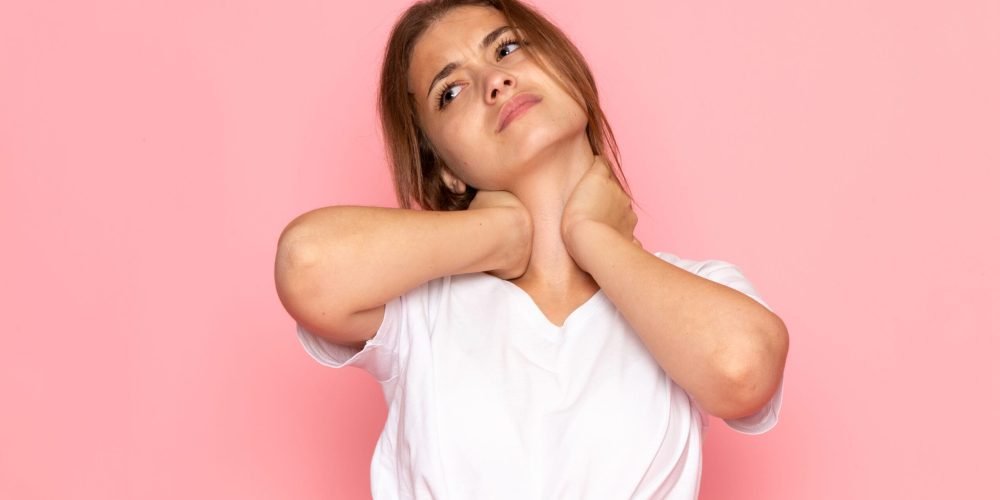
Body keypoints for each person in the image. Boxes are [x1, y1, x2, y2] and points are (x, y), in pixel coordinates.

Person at [273, 0, 790, 498]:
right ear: (447, 171)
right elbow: (307, 264)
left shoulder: (691, 293)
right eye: (450, 91)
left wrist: (595, 239)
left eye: (506, 49)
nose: (495, 82)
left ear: (567, 73)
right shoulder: (418, 312)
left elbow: (742, 370)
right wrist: (499, 234)